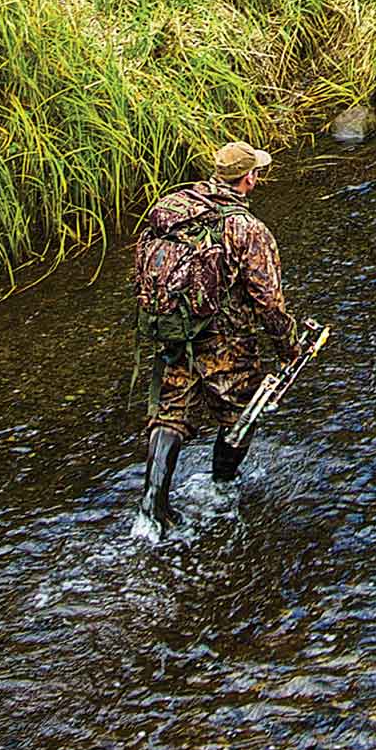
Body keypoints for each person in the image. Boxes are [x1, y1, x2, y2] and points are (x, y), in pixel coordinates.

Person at [132, 141, 299, 536]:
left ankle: (152, 507)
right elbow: (268, 303)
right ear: (249, 179)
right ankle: (223, 487)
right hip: (226, 339)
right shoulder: (247, 229)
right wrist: (289, 348)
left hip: (174, 329)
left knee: (170, 413)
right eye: (256, 172)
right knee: (240, 414)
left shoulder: (175, 205)